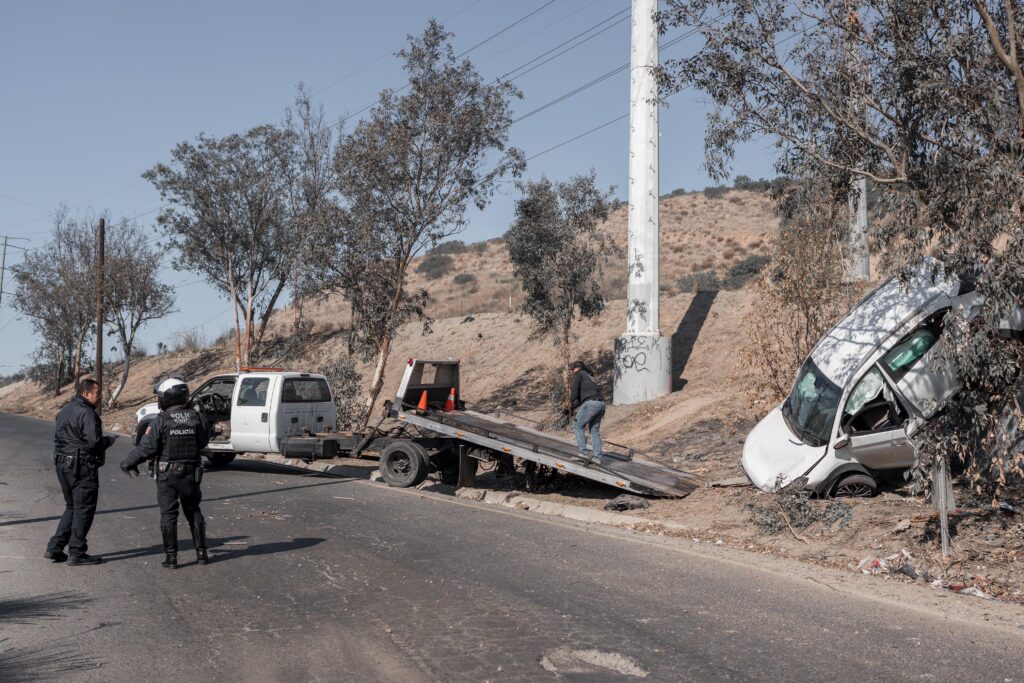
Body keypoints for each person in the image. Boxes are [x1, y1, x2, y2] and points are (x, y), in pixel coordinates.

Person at [120, 378, 211, 569]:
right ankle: (202, 553)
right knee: (194, 511)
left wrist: (128, 463)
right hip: (191, 473)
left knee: (168, 515)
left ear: (167, 398)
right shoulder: (197, 418)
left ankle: (172, 558)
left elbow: (146, 449)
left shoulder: (160, 421)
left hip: (167, 474)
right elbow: (203, 442)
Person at [45, 378, 117, 565]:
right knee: (83, 509)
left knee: (72, 507)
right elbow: (93, 443)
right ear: (86, 394)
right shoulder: (87, 414)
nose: (100, 397)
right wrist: (108, 441)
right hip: (81, 467)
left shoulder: (65, 410)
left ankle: (55, 547)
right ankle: (77, 552)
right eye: (97, 394)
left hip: (62, 464)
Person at [569, 361, 606, 466]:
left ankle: (583, 453)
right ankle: (597, 458)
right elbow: (583, 397)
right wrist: (574, 406)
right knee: (594, 431)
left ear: (578, 368)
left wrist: (571, 402)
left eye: (573, 369)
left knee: (577, 426)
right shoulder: (589, 376)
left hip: (591, 404)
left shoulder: (579, 373)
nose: (573, 372)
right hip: (601, 404)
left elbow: (574, 390)